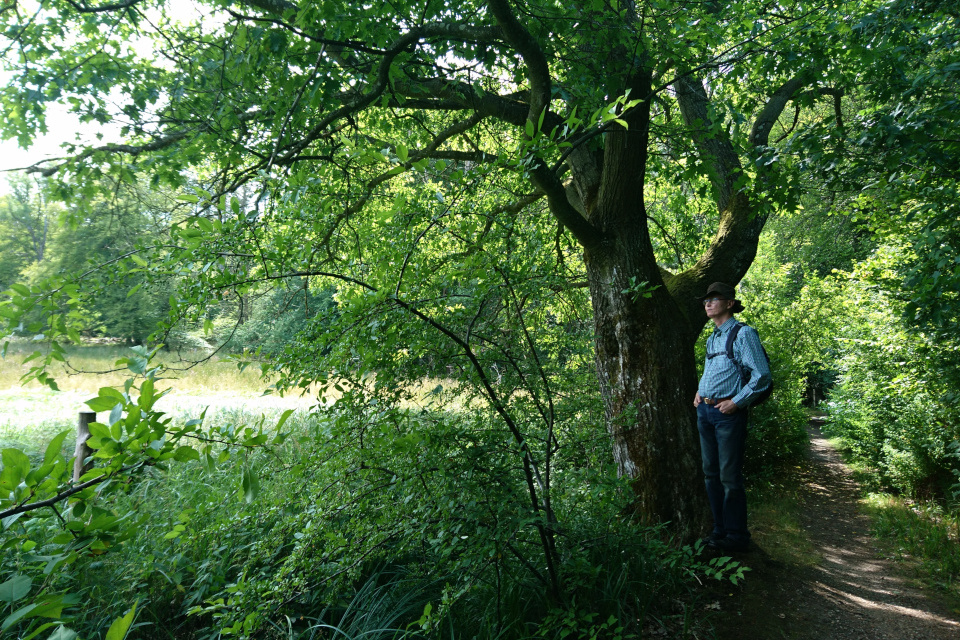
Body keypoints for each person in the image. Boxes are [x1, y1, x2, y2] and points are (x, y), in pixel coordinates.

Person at [693, 282, 771, 552]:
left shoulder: (743, 333)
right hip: (705, 411)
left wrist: (736, 403)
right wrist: (699, 392)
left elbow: (761, 375)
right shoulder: (712, 337)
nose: (708, 304)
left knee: (729, 477)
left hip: (727, 415)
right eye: (706, 300)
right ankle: (719, 531)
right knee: (710, 474)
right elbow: (712, 370)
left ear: (729, 303)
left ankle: (737, 537)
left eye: (714, 299)